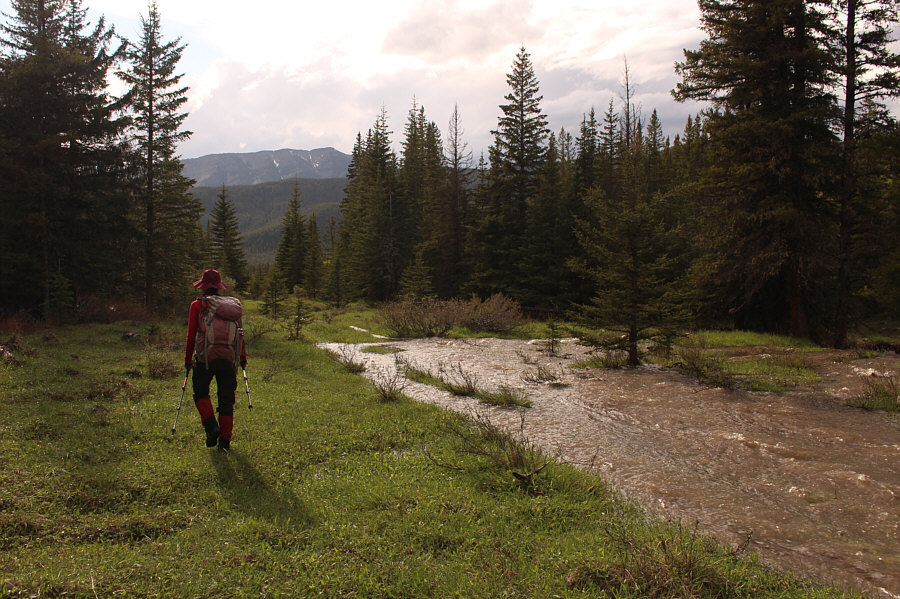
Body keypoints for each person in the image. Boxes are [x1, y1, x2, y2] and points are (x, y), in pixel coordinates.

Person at [183, 269, 247, 451]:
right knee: (226, 401)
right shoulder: (232, 307)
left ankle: (211, 427)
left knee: (200, 392)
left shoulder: (197, 305)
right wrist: (242, 358)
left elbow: (191, 335)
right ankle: (225, 443)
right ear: (219, 286)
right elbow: (240, 334)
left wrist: (188, 360)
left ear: (203, 286)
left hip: (205, 359)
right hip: (229, 359)